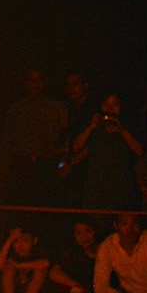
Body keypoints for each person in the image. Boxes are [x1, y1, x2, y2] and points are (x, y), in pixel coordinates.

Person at [1, 69, 67, 209]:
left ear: (45, 82)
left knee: (46, 206)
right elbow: (8, 142)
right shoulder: (16, 110)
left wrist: (62, 163)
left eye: (39, 80)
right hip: (22, 166)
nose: (36, 84)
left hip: (47, 167)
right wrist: (7, 170)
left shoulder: (57, 109)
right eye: (32, 80)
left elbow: (67, 140)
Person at [75, 93, 143, 214]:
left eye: (114, 105)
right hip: (95, 189)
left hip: (121, 189)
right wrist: (90, 127)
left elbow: (140, 151)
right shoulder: (94, 128)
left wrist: (122, 131)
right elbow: (76, 147)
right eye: (106, 104)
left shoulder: (129, 127)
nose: (110, 109)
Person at [58, 73, 97, 205]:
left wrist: (71, 163)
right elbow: (67, 141)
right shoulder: (69, 109)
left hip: (90, 172)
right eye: (68, 85)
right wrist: (63, 164)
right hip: (72, 171)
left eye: (75, 84)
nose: (71, 89)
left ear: (85, 86)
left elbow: (93, 145)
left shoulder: (93, 109)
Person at [0, 227, 53, 293]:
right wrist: (9, 240)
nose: (20, 246)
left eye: (25, 241)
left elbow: (46, 263)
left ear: (34, 241)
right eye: (16, 241)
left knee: (41, 270)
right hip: (14, 291)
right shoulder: (10, 254)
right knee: (8, 268)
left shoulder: (37, 253)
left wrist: (19, 265)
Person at [48, 220, 102, 293]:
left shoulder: (106, 250)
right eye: (79, 233)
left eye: (88, 231)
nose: (84, 237)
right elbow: (53, 272)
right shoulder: (72, 253)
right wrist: (76, 285)